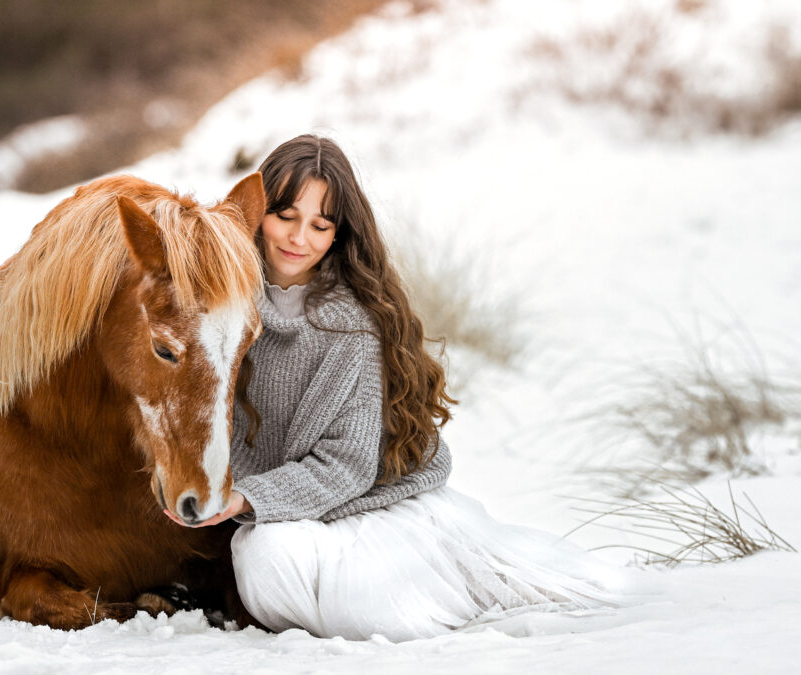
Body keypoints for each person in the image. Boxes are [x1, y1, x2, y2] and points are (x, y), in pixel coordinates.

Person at [163, 134, 629, 641]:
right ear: (256, 214)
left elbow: (348, 466)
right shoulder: (218, 306)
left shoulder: (348, 328)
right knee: (257, 559)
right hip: (283, 512)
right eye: (285, 216)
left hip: (371, 504)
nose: (299, 239)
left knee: (273, 566)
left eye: (320, 225)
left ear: (338, 235)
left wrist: (245, 499)